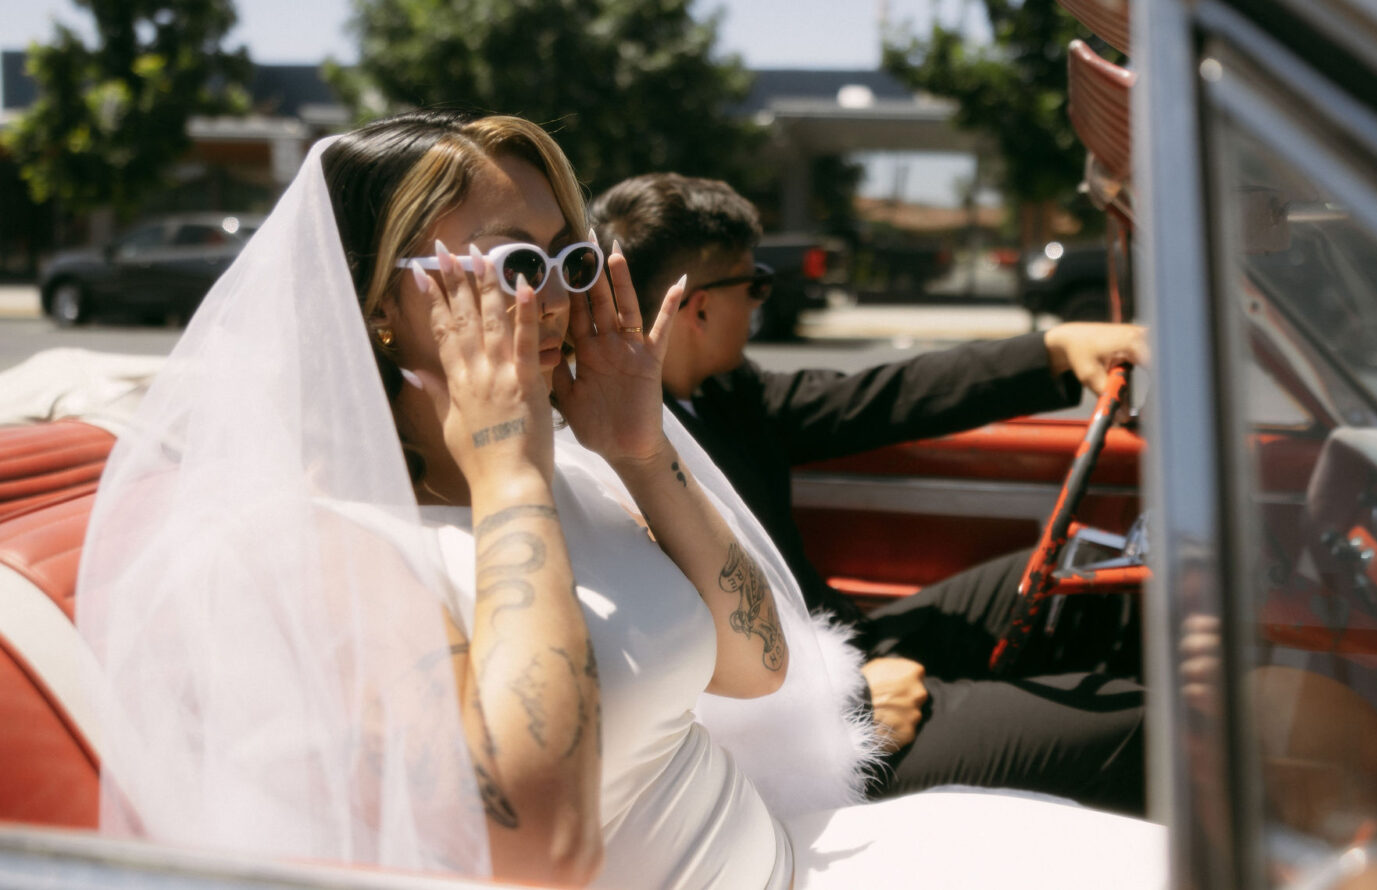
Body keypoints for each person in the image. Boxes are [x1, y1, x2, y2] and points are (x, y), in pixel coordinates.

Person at [77, 112, 1163, 889]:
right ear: (375, 307)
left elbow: (758, 665)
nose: (556, 297)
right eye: (511, 266)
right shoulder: (320, 546)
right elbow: (542, 849)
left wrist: (641, 455)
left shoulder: (576, 465)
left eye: (568, 258)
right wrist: (508, 482)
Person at [590, 173, 1149, 808]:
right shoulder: (620, 456)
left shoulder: (724, 396)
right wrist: (854, 696)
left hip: (836, 646)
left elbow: (882, 396)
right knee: (1137, 727)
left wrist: (1054, 349)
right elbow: (676, 671)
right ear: (700, 307)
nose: (760, 304)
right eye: (755, 285)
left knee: (1099, 582)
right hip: (799, 730)